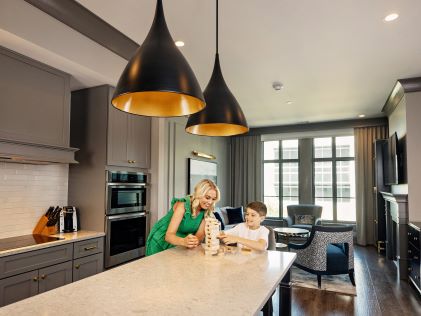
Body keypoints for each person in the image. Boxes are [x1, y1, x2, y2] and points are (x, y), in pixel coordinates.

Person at [145, 179, 220, 256]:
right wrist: (184, 241)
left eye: (213, 199)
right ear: (199, 194)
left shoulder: (206, 212)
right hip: (160, 240)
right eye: (207, 197)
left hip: (179, 245)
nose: (210, 202)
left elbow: (198, 238)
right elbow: (168, 236)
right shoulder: (182, 206)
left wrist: (193, 241)